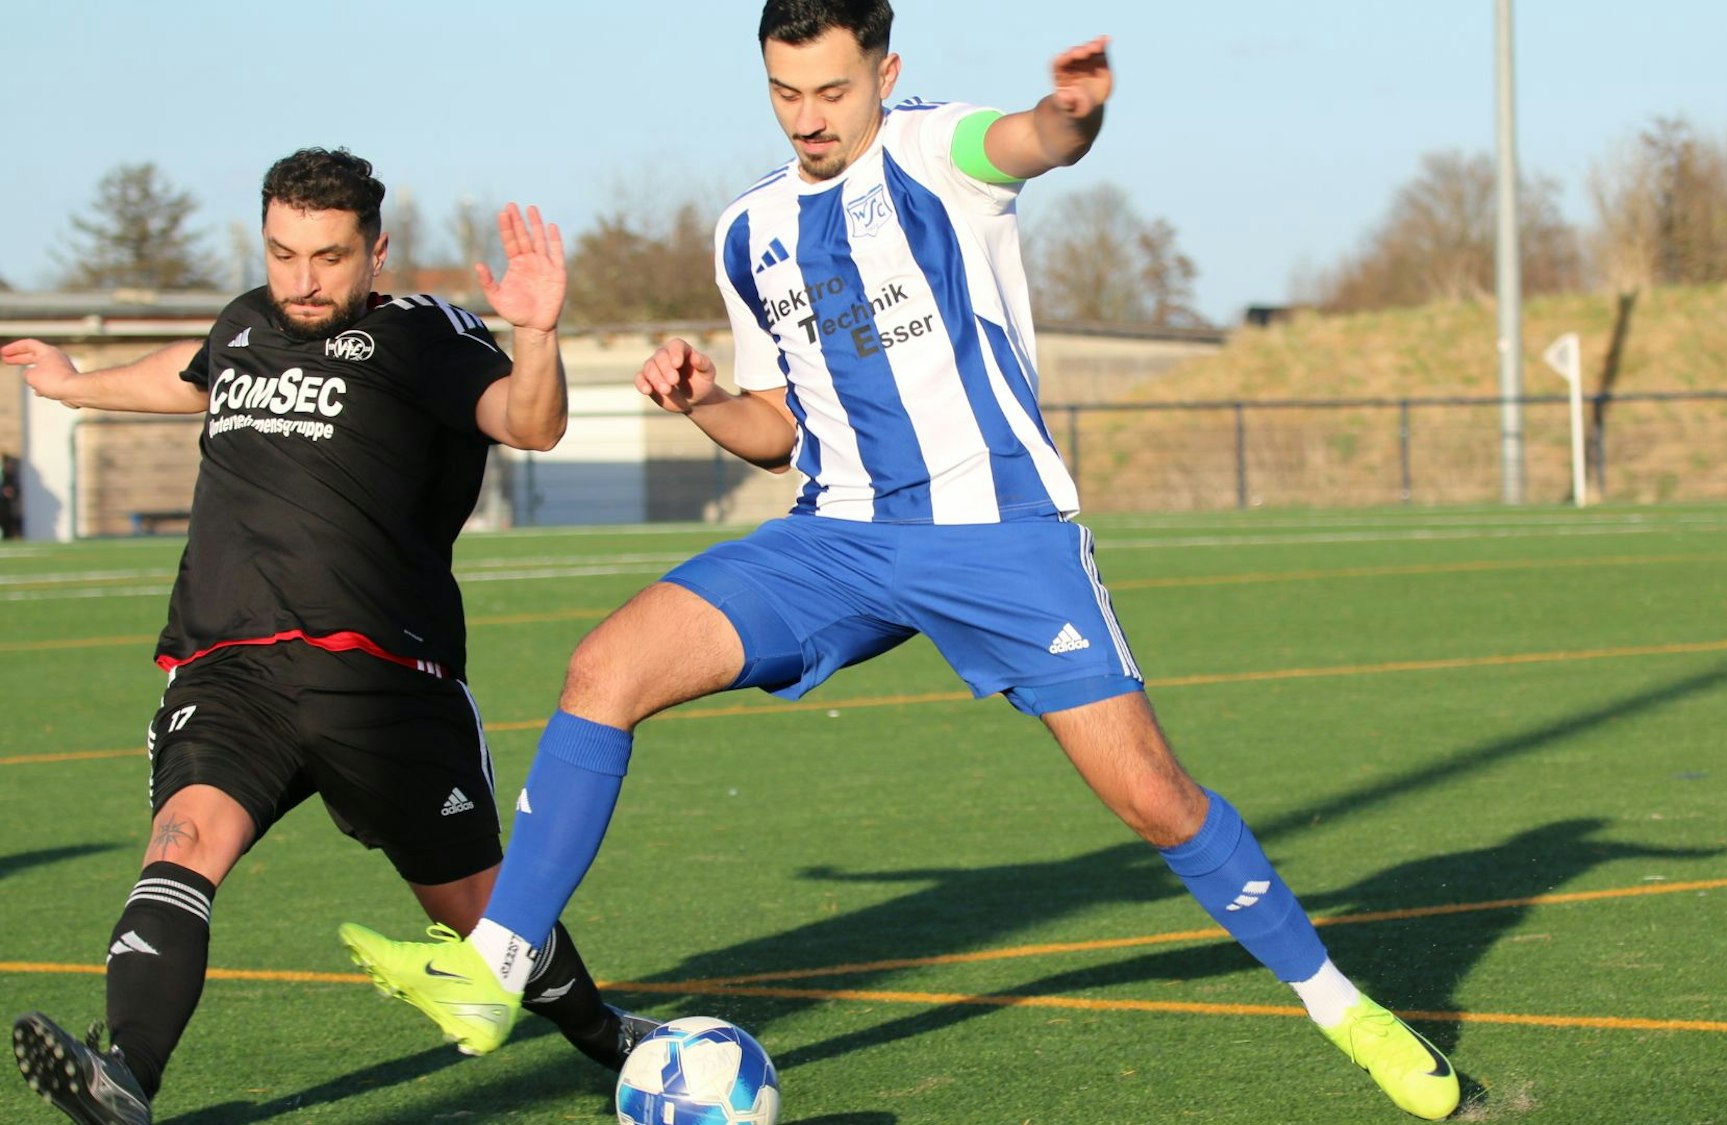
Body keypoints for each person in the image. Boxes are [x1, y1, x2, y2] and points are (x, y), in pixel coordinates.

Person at [337, 3, 1459, 1119]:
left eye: (833, 91)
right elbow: (781, 429)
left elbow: (1030, 141)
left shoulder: (936, 150)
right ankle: (496, 969)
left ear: (885, 73)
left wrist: (1070, 113)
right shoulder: (749, 229)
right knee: (605, 668)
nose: (809, 117)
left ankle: (1338, 1005)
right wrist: (705, 400)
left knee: (1155, 801)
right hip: (836, 539)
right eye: (786, 94)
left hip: (998, 538)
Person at [6, 148, 655, 1125]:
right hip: (231, 663)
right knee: (182, 841)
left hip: (381, 680)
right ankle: (124, 1076)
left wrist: (538, 333)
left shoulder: (421, 336)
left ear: (376, 252)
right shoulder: (244, 323)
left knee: (477, 909)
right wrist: (73, 382)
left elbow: (529, 422)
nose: (302, 281)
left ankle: (609, 1039)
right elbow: (192, 378)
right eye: (282, 253)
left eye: (328, 257)